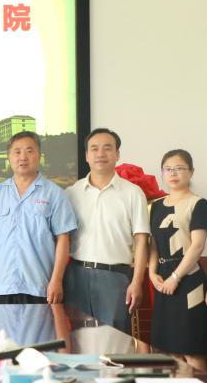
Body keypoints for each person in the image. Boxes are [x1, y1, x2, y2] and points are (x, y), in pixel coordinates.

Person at [64, 128, 150, 333]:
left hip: (115, 278)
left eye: (107, 148)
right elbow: (62, 239)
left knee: (114, 340)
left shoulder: (132, 193)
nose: (100, 154)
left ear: (117, 154)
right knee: (78, 338)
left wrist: (137, 282)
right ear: (86, 155)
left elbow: (141, 241)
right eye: (94, 149)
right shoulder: (71, 193)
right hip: (76, 276)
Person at [0, 131, 76, 305]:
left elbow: (63, 238)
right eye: (17, 152)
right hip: (2, 285)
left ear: (38, 155)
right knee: (2, 325)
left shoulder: (54, 193)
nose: (23, 157)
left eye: (29, 151)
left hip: (40, 285)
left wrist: (56, 280)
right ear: (9, 157)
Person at [147, 149, 207, 371]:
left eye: (179, 168)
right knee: (169, 350)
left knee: (191, 349)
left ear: (191, 172)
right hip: (163, 280)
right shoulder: (156, 206)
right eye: (168, 169)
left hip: (189, 280)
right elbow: (153, 245)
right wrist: (151, 273)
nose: (173, 173)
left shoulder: (198, 204)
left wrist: (175, 277)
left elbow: (197, 246)